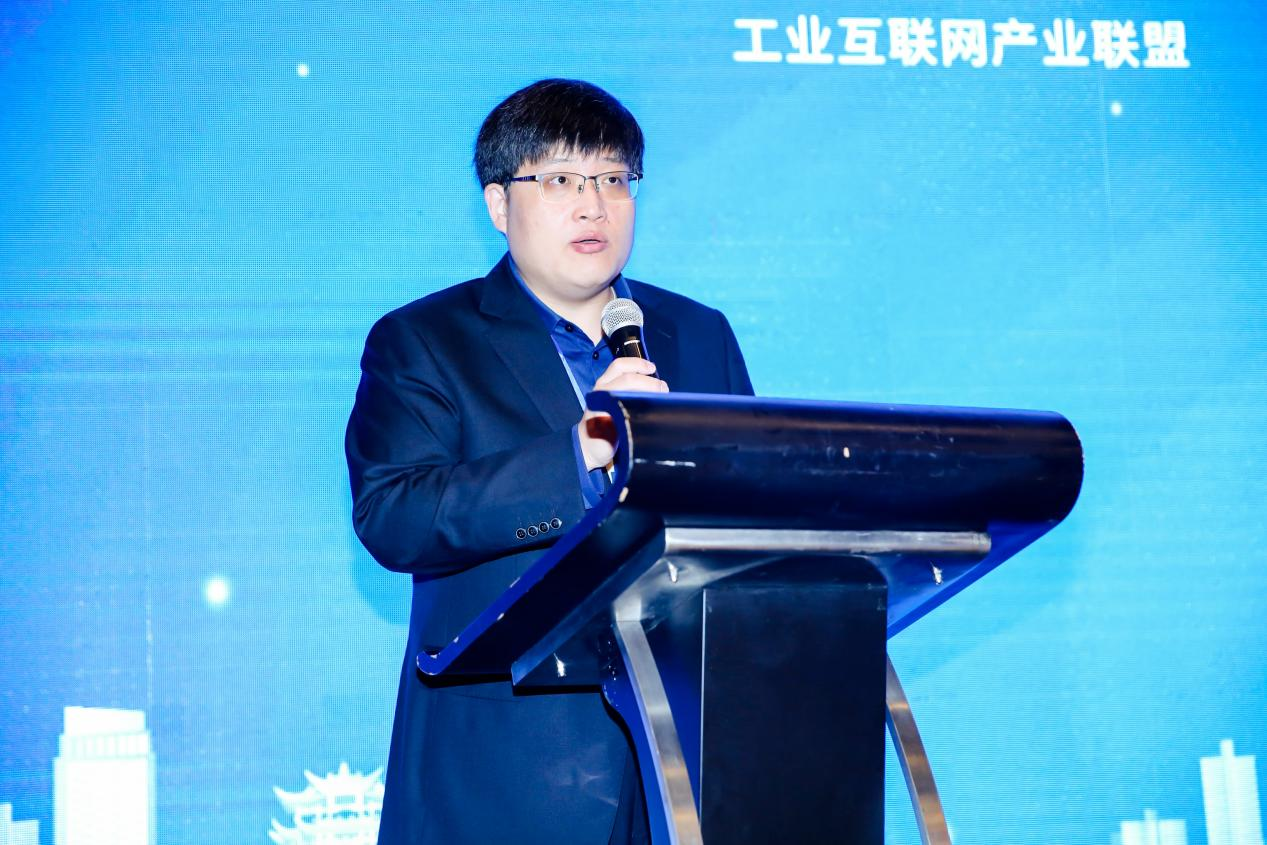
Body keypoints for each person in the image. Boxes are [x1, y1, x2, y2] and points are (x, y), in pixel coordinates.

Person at [345, 78, 753, 845]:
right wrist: (579, 451)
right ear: (500, 205)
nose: (594, 206)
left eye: (613, 180)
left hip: (688, 764)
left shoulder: (698, 332)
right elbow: (393, 515)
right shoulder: (425, 340)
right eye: (561, 180)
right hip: (506, 772)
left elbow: (747, 516)